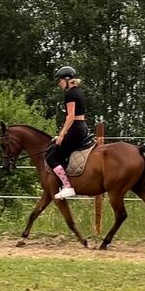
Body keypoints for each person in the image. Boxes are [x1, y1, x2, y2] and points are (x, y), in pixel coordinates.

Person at [46, 66, 89, 199]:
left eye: (60, 82)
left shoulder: (70, 94)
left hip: (75, 128)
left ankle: (67, 187)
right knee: (62, 150)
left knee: (51, 157)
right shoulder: (79, 92)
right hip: (82, 127)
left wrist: (62, 134)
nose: (59, 85)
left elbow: (70, 117)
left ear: (67, 79)